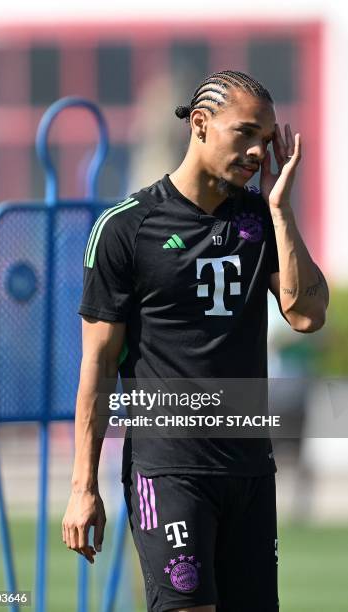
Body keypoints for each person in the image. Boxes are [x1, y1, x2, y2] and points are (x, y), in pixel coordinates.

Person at [62, 70, 329, 612]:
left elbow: (307, 315)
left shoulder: (260, 220)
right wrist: (82, 486)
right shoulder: (125, 228)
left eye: (267, 137)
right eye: (246, 133)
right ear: (201, 125)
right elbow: (98, 365)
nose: (259, 151)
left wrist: (281, 210)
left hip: (250, 471)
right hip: (169, 470)